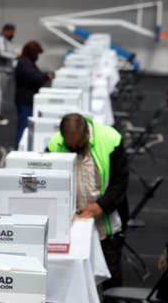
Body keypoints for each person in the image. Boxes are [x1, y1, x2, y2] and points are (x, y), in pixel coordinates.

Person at [47, 113, 129, 290]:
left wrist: (100, 206)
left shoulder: (110, 139)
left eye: (78, 145)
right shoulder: (55, 145)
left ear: (86, 134)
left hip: (106, 224)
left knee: (111, 280)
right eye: (70, 147)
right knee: (72, 282)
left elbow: (120, 181)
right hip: (73, 224)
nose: (75, 149)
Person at [14, 40, 52, 149]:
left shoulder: (26, 62)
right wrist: (46, 77)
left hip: (25, 98)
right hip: (25, 100)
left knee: (24, 127)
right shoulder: (25, 64)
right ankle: (18, 150)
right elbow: (35, 78)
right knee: (23, 129)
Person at [0, 23, 18, 126]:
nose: (13, 34)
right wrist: (16, 56)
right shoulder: (0, 39)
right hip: (0, 70)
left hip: (5, 70)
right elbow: (2, 53)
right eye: (12, 32)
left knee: (0, 93)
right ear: (7, 31)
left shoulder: (6, 40)